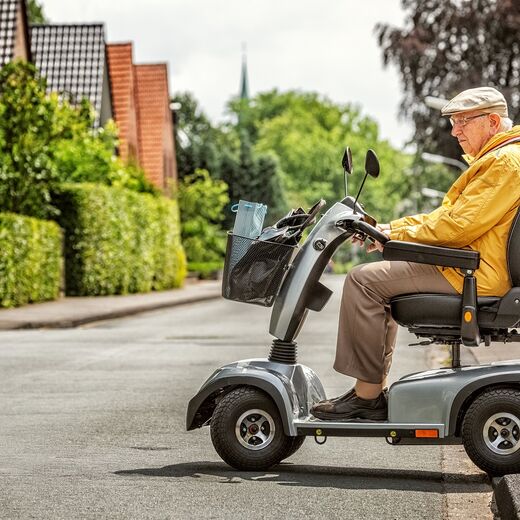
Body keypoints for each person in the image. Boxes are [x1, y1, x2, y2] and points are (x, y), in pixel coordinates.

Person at [311, 86, 520, 421]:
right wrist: (392, 231)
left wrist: (397, 232)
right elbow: (450, 221)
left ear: (492, 121)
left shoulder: (503, 162)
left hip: (473, 273)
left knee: (364, 281)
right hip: (473, 267)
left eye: (462, 121)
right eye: (453, 123)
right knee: (378, 279)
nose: (455, 131)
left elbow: (457, 227)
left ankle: (366, 397)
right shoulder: (500, 160)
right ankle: (369, 389)